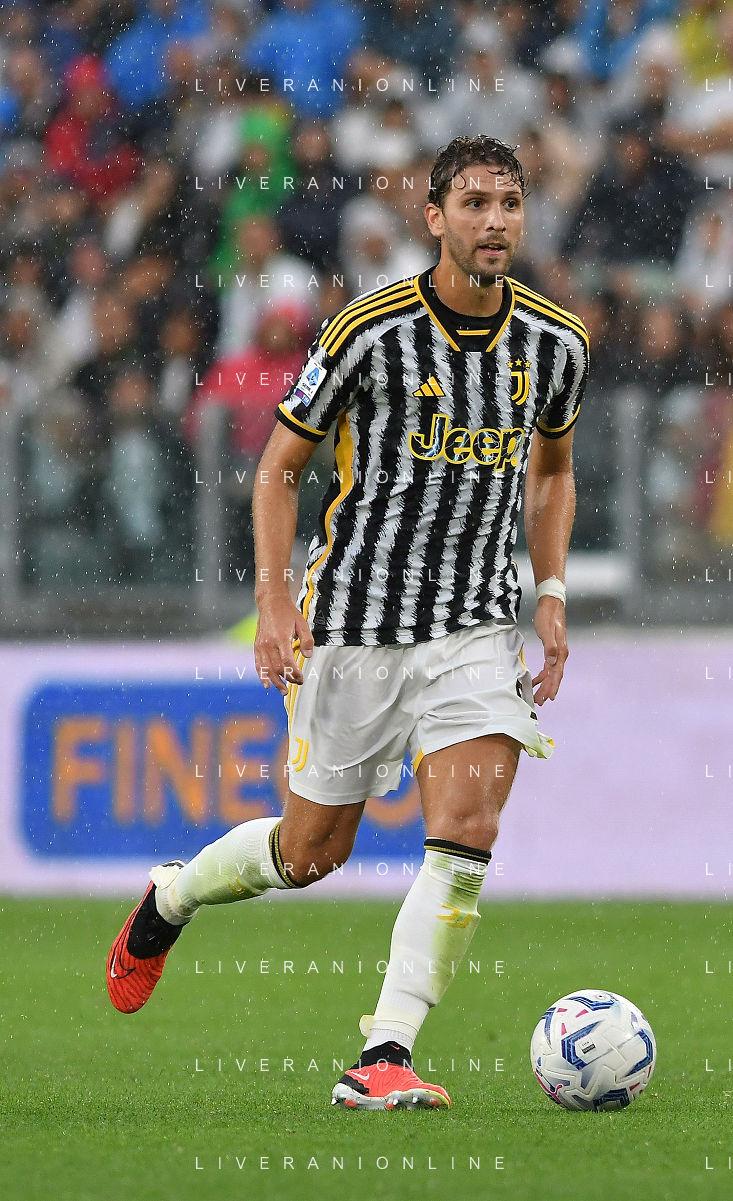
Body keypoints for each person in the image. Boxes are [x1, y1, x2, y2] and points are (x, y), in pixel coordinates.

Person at [106, 134, 589, 1112]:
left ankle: (383, 1051)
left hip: (473, 627)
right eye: (475, 203)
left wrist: (549, 592)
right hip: (356, 622)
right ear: (435, 217)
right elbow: (279, 469)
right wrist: (273, 599)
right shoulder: (369, 331)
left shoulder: (556, 343)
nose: (495, 220)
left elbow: (552, 471)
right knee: (309, 852)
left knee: (466, 829)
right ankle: (173, 893)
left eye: (509, 203)